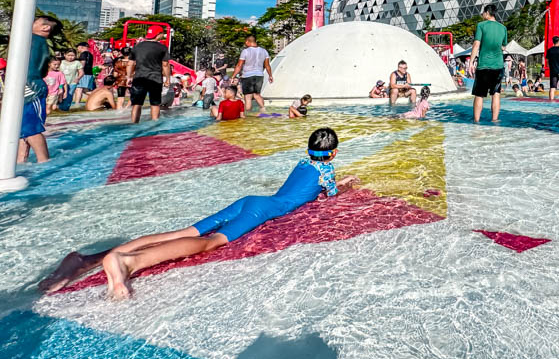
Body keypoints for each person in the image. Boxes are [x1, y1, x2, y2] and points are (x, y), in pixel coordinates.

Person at [37, 127, 360, 299]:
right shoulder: (326, 170)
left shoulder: (303, 162)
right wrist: (345, 185)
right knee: (210, 242)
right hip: (264, 209)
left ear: (309, 148)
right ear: (333, 152)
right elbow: (329, 195)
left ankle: (90, 259)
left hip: (251, 200)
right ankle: (127, 262)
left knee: (185, 232)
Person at [18, 15, 59, 164]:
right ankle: (20, 161)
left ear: (45, 27)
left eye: (34, 21)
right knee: (22, 128)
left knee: (30, 127)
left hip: (31, 87)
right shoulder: (40, 42)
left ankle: (44, 161)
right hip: (31, 85)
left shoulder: (33, 39)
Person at [468, 4, 508, 122]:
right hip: (498, 66)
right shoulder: (503, 28)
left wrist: (471, 62)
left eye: (483, 13)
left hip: (484, 65)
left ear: (486, 13)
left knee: (479, 94)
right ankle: (494, 120)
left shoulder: (481, 25)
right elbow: (503, 47)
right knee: (495, 94)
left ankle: (476, 121)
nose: (482, 15)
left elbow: (476, 44)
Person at [127, 27, 171, 124]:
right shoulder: (162, 48)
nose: (163, 35)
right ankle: (154, 124)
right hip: (155, 79)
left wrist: (129, 77)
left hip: (139, 78)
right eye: (162, 34)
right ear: (158, 34)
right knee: (155, 104)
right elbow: (165, 64)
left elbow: (130, 63)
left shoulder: (137, 46)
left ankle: (134, 124)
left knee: (137, 104)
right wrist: (168, 79)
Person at [234, 36, 273, 112]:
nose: (245, 43)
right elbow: (267, 65)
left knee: (248, 96)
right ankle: (263, 109)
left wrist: (233, 76)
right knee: (257, 94)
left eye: (246, 42)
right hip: (259, 75)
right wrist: (270, 75)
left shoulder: (245, 51)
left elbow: (239, 65)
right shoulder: (264, 51)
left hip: (247, 76)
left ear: (248, 41)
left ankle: (247, 114)